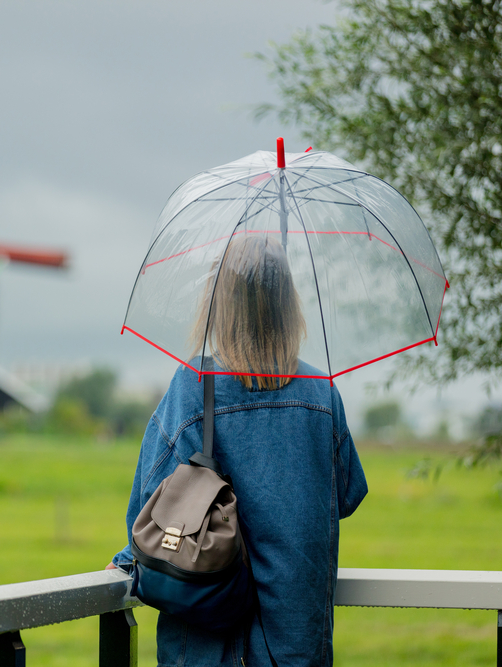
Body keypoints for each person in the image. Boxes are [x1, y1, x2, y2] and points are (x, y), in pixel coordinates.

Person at [108, 235, 368, 667]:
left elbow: (149, 509)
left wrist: (123, 562)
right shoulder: (321, 395)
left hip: (204, 649)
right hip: (296, 649)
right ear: (290, 305)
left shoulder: (193, 387)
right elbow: (345, 497)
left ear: (219, 304)